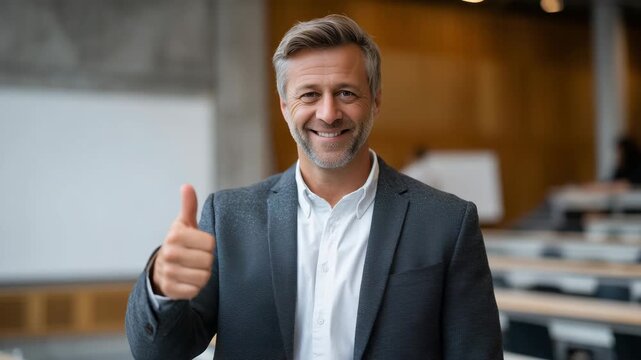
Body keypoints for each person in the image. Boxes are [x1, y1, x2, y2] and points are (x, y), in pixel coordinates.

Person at [126, 14, 503, 360]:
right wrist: (162, 286)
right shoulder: (227, 219)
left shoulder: (447, 223)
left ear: (376, 101)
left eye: (346, 93)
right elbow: (159, 353)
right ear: (285, 105)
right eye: (309, 94)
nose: (327, 113)